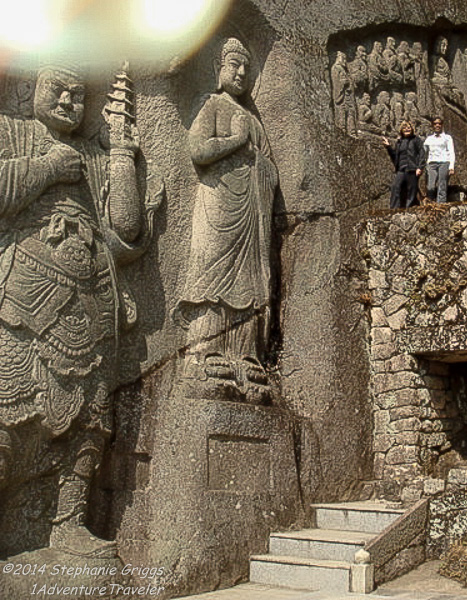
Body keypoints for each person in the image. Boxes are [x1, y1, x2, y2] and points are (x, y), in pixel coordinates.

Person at [0, 60, 156, 557]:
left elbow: (126, 231)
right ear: (32, 91)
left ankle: (67, 523)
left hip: (90, 300)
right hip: (24, 293)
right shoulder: (13, 132)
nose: (69, 102)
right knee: (11, 405)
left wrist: (121, 159)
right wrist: (45, 170)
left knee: (91, 417)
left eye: (77, 95)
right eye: (58, 91)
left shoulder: (93, 154)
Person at [174, 37, 278, 398]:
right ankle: (204, 352)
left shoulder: (254, 121)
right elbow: (199, 151)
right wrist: (235, 142)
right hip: (219, 205)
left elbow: (270, 171)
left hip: (251, 213)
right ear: (219, 69)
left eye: (247, 67)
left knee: (250, 284)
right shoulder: (214, 105)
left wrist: (258, 165)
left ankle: (245, 356)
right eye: (234, 64)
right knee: (212, 276)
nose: (242, 72)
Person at [383, 121, 425, 209]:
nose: (407, 129)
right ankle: (393, 208)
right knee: (395, 187)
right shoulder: (399, 142)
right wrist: (388, 147)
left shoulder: (416, 140)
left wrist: (420, 167)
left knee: (412, 190)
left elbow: (421, 153)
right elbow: (395, 156)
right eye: (404, 127)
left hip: (412, 169)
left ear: (412, 129)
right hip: (401, 169)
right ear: (401, 130)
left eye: (409, 127)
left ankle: (409, 208)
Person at [423, 117, 455, 204]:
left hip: (444, 162)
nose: (437, 125)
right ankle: (430, 204)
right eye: (435, 123)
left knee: (442, 185)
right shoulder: (429, 138)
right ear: (432, 126)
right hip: (432, 163)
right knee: (430, 186)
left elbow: (451, 152)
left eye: (439, 123)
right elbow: (423, 152)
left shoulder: (447, 137)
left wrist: (451, 166)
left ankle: (441, 204)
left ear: (442, 125)